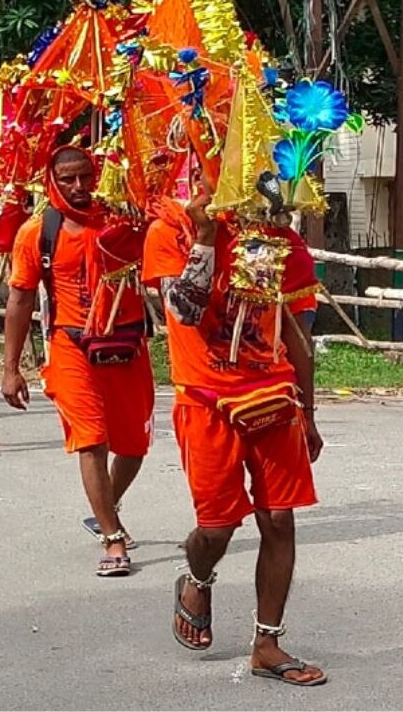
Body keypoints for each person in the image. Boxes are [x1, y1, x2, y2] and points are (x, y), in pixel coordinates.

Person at [141, 184, 326, 686]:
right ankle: (198, 577)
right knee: (217, 530)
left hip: (272, 396)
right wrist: (203, 236)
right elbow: (184, 311)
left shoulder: (268, 239)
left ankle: (267, 643)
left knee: (279, 520)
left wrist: (307, 409)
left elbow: (294, 331)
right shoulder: (169, 232)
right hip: (206, 401)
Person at [2, 146, 154, 576]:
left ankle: (104, 505)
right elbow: (20, 298)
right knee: (91, 439)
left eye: (86, 176)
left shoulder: (124, 219)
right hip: (71, 346)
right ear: (52, 180)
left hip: (127, 343)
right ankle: (112, 538)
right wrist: (11, 369)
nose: (79, 187)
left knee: (134, 446)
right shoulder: (37, 231)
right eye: (67, 179)